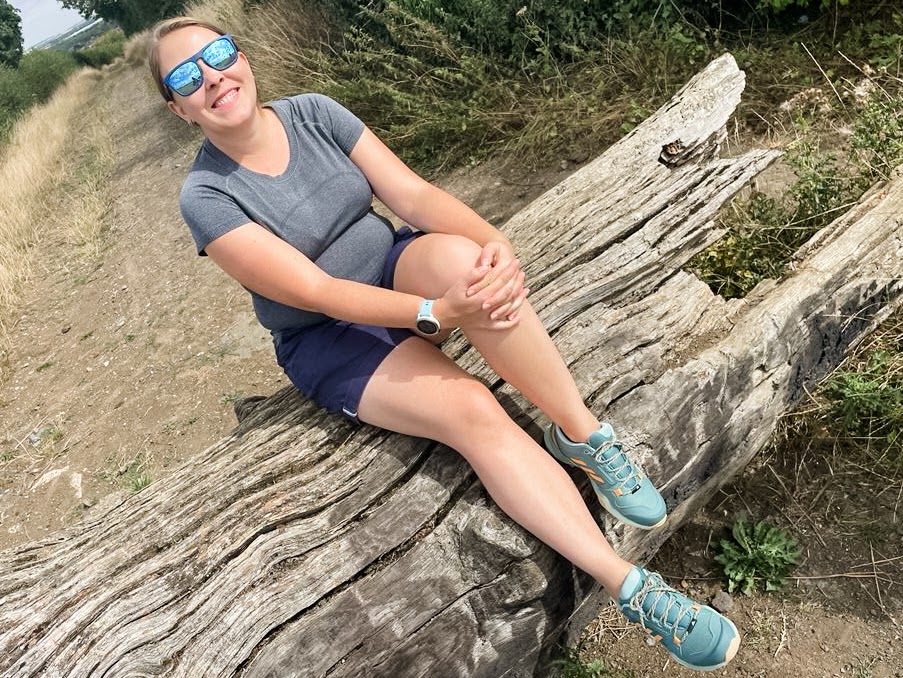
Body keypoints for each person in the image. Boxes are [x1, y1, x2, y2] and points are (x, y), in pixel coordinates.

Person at [148, 17, 740, 672]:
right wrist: (434, 313)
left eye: (219, 53)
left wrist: (496, 250)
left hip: (392, 266)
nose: (212, 76)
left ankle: (582, 435)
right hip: (329, 336)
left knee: (466, 263)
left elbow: (411, 195)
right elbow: (313, 291)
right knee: (472, 411)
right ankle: (629, 586)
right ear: (178, 109)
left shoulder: (313, 113)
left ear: (242, 55)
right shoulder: (206, 194)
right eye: (185, 76)